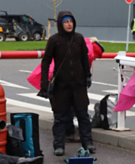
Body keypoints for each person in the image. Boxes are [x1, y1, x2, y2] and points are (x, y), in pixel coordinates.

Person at [40, 10, 94, 156]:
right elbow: (46, 62)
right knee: (61, 117)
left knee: (83, 115)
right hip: (61, 86)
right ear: (60, 24)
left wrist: (87, 76)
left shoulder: (79, 38)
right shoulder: (54, 40)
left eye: (71, 21)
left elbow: (84, 58)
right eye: (66, 22)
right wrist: (44, 83)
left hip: (78, 84)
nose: (69, 24)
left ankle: (88, 142)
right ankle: (59, 145)